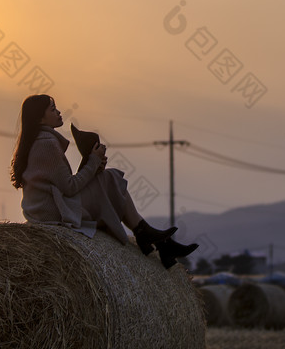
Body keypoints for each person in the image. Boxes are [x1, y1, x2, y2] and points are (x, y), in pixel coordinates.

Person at [10, 94, 198, 268]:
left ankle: (151, 236)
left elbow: (64, 185)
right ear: (40, 118)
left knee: (107, 177)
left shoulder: (41, 141)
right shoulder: (46, 144)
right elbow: (69, 187)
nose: (59, 112)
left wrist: (94, 165)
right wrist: (93, 161)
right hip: (54, 213)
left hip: (54, 206)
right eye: (52, 109)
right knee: (110, 178)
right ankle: (147, 234)